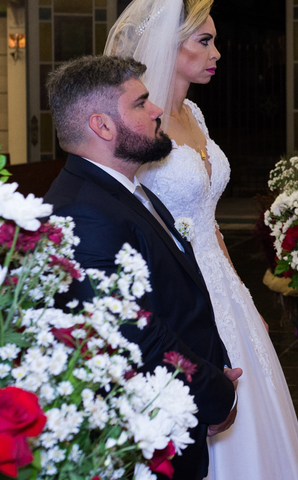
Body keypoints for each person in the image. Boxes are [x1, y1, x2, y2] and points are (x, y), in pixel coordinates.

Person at [105, 0, 298, 480]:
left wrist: (242, 295)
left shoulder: (194, 114)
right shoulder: (143, 124)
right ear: (169, 45)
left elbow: (208, 220)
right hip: (177, 286)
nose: (217, 53)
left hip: (221, 282)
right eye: (204, 41)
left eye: (214, 41)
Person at [43, 55, 240, 480]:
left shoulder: (124, 189)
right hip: (143, 440)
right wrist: (214, 394)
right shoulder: (82, 212)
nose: (156, 110)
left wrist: (214, 366)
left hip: (177, 412)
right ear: (102, 126)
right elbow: (135, 336)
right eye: (140, 103)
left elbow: (175, 298)